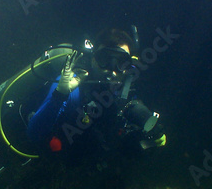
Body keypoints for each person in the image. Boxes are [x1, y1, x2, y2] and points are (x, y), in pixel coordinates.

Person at [26, 28, 166, 162]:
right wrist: (60, 95)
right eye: (105, 58)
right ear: (92, 58)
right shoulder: (72, 86)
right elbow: (34, 134)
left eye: (121, 62)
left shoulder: (125, 91)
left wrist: (151, 133)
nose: (112, 70)